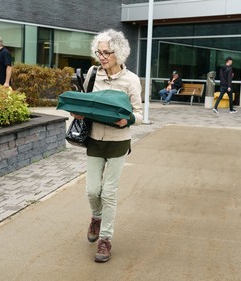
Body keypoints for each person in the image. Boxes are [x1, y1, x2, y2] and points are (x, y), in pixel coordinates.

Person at [71, 29, 143, 263]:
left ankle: (105, 239)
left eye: (107, 52)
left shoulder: (131, 80)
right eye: (99, 52)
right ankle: (96, 216)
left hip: (118, 142)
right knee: (93, 190)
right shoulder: (92, 74)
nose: (102, 57)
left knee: (109, 192)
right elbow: (86, 103)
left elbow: (139, 113)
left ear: (119, 52)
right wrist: (78, 113)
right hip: (94, 140)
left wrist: (129, 119)